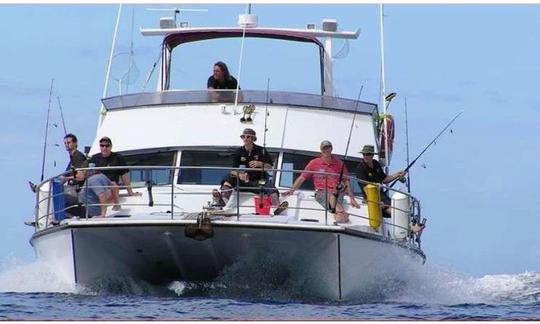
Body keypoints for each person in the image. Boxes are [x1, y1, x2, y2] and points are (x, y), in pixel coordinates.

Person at [212, 128, 287, 215]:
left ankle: (277, 207)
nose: (245, 139)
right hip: (242, 181)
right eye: (243, 137)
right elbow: (233, 170)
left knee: (270, 185)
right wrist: (240, 175)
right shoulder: (239, 151)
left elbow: (270, 167)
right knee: (228, 177)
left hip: (257, 181)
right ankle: (222, 201)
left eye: (248, 137)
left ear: (253, 139)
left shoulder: (261, 150)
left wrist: (260, 163)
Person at [283, 140, 360, 223]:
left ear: (331, 149)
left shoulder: (340, 163)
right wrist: (291, 190)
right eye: (324, 148)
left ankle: (340, 216)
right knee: (331, 196)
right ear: (321, 150)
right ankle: (342, 212)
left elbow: (346, 181)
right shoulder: (313, 163)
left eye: (328, 148)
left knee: (338, 217)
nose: (326, 150)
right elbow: (302, 177)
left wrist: (352, 198)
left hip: (337, 193)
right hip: (321, 193)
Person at [355, 144, 406, 218]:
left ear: (372, 155)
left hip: (382, 195)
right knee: (394, 211)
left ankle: (411, 225)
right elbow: (365, 188)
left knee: (399, 208)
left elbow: (384, 180)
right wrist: (376, 201)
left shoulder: (376, 163)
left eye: (368, 154)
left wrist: (398, 174)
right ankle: (411, 227)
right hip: (371, 197)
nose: (365, 156)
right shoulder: (360, 169)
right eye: (364, 154)